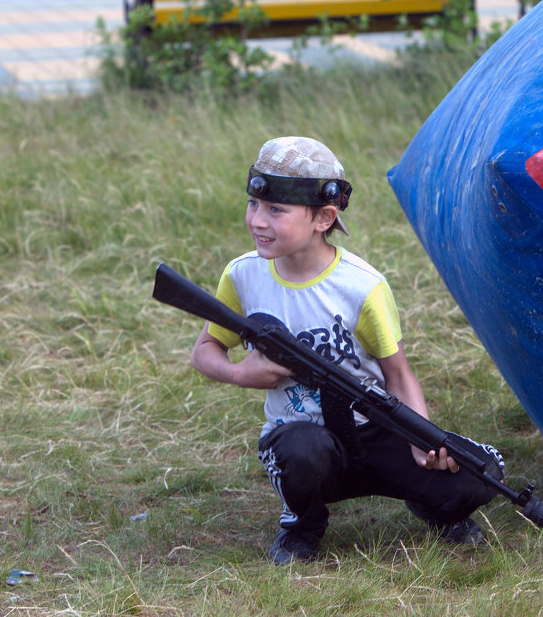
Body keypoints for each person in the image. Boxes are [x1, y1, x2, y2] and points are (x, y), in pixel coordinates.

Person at [190, 136, 502, 565]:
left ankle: (432, 506)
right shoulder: (243, 276)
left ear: (324, 217)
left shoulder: (362, 286)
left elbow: (398, 374)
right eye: (253, 205)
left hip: (375, 430)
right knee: (299, 452)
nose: (258, 220)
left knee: (478, 475)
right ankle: (302, 526)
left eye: (276, 209)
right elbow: (205, 350)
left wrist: (422, 440)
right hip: (302, 437)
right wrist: (241, 373)